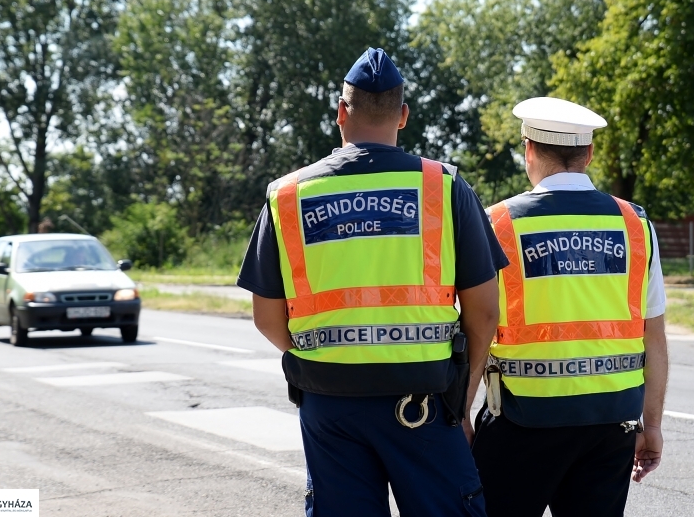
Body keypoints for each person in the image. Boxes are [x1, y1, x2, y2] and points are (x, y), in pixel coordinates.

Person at [237, 47, 508, 516]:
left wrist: (326, 353)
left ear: (342, 111)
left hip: (329, 407)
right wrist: (463, 405)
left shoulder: (287, 196)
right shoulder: (442, 187)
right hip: (423, 406)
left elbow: (266, 317)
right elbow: (484, 312)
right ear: (402, 115)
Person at [471, 96, 669, 517]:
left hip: (522, 421)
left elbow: (478, 325)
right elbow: (654, 335)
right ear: (589, 153)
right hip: (610, 426)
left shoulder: (497, 224)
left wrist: (460, 416)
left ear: (529, 149)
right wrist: (650, 426)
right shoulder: (635, 224)